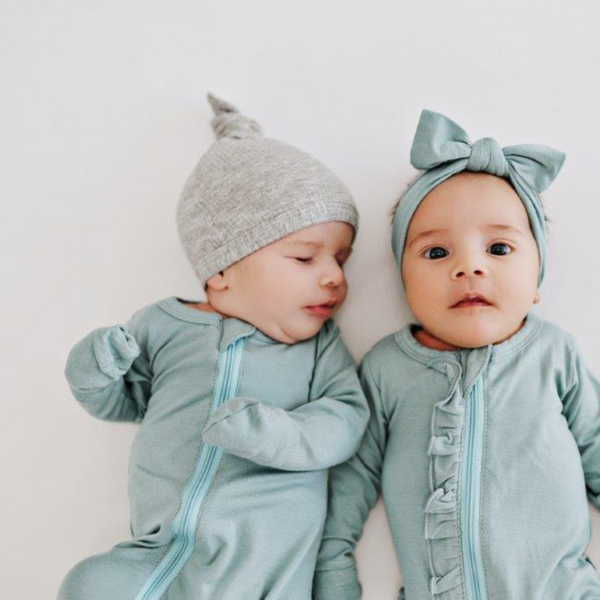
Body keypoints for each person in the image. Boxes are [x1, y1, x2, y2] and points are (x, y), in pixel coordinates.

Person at [58, 94, 369, 600]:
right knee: (91, 583)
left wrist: (279, 433)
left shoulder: (318, 349)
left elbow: (346, 420)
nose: (334, 277)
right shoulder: (161, 324)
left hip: (266, 568)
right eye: (306, 257)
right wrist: (92, 373)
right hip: (160, 555)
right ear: (221, 269)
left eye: (341, 259)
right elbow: (127, 403)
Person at [313, 109, 600, 599]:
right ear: (404, 284)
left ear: (537, 280)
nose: (469, 267)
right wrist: (332, 577)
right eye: (436, 253)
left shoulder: (553, 355)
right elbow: (346, 486)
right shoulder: (387, 369)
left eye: (500, 249)